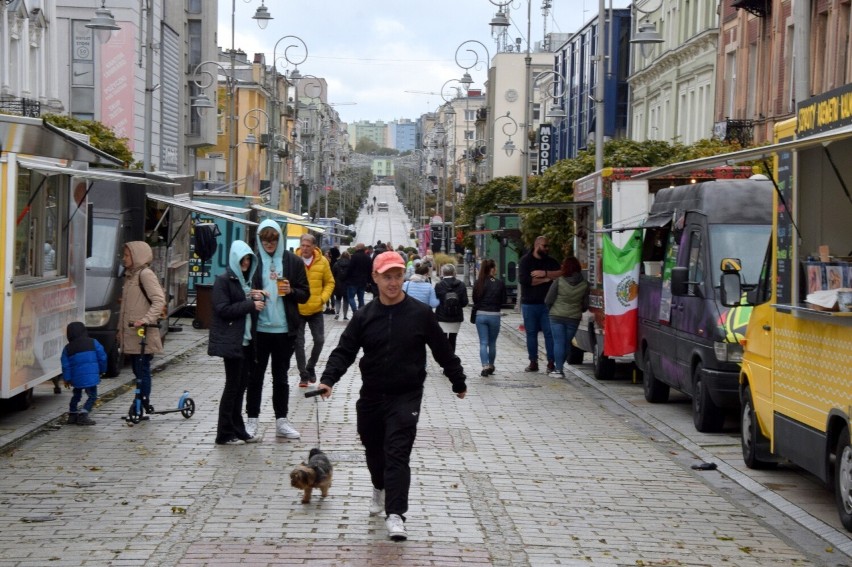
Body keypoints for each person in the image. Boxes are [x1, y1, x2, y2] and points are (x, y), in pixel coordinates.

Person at [315, 251, 467, 542]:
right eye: (387, 276)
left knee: (397, 452)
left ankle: (396, 514)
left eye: (398, 276)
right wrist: (328, 380)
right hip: (371, 396)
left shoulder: (420, 314)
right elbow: (344, 351)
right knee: (375, 451)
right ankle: (379, 487)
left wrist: (457, 380)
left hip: (406, 395)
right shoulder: (364, 316)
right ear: (375, 278)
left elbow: (443, 351)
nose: (393, 282)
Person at [245, 220, 310, 440]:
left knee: (280, 377)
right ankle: (252, 419)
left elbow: (305, 294)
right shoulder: (253, 262)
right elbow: (242, 290)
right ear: (259, 239)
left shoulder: (292, 261)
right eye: (265, 239)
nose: (269, 244)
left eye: (273, 239)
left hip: (284, 330)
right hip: (259, 330)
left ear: (279, 239)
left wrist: (291, 290)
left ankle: (281, 421)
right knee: (255, 377)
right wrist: (253, 295)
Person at [209, 241, 265, 445]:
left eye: (249, 259)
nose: (246, 263)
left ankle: (238, 430)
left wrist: (256, 298)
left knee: (241, 386)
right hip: (232, 342)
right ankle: (224, 433)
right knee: (232, 387)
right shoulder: (224, 281)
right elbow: (223, 309)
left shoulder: (244, 283)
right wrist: (250, 304)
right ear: (235, 259)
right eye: (243, 259)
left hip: (246, 341)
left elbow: (244, 306)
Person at [118, 241, 166, 413]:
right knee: (138, 370)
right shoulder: (131, 276)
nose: (124, 259)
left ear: (137, 256)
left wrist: (146, 319)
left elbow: (159, 300)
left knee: (142, 369)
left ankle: (141, 403)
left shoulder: (145, 274)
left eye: (127, 255)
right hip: (132, 332)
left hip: (142, 332)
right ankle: (140, 403)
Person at [295, 234, 335, 387]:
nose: (305, 248)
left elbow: (330, 282)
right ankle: (303, 375)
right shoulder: (294, 260)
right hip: (298, 308)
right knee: (298, 343)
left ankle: (310, 366)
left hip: (316, 309)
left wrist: (322, 298)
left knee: (319, 340)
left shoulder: (322, 261)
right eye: (303, 245)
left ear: (314, 247)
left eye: (308, 246)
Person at [518, 236, 561, 373]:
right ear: (537, 245)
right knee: (531, 334)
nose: (547, 248)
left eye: (548, 246)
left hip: (547, 304)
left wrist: (545, 274)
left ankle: (551, 362)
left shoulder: (551, 261)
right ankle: (533, 362)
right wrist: (547, 279)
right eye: (545, 246)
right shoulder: (526, 261)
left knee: (550, 334)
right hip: (529, 304)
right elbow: (526, 281)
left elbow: (561, 274)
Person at [544, 257, 590, 378]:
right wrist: (578, 310)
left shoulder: (559, 281)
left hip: (556, 316)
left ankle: (558, 370)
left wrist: (551, 310)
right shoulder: (585, 284)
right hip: (573, 318)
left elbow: (548, 300)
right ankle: (559, 368)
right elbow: (585, 305)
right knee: (566, 343)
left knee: (558, 343)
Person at [61, 321, 107, 426]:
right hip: (91, 377)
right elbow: (102, 357)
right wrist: (102, 370)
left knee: (76, 395)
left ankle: (72, 414)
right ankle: (84, 414)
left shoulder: (67, 348)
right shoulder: (93, 342)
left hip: (76, 378)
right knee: (93, 396)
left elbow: (65, 365)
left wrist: (67, 378)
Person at [472, 259, 507, 377]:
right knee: (492, 343)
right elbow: (504, 300)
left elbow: (475, 299)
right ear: (492, 269)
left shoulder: (478, 282)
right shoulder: (499, 283)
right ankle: (491, 365)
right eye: (495, 267)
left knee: (483, 342)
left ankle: (485, 365)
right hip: (494, 315)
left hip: (481, 315)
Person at [434, 263, 469, 354]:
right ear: (454, 272)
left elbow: (435, 301)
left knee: (443, 340)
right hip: (456, 316)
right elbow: (465, 302)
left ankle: (445, 360)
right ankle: (452, 358)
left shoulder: (439, 285)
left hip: (442, 316)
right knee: (453, 339)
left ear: (443, 273)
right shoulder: (461, 285)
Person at [346, 243, 373, 313]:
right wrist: (369, 281)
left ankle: (355, 311)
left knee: (351, 297)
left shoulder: (354, 256)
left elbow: (350, 268)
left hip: (353, 281)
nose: (355, 248)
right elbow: (370, 270)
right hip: (363, 281)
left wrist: (347, 277)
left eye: (356, 247)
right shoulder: (368, 257)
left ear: (358, 248)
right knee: (361, 298)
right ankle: (361, 313)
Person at [332, 251, 351, 320]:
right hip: (347, 285)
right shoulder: (350, 264)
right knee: (346, 300)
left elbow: (333, 274)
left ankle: (337, 313)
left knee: (338, 299)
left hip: (338, 284)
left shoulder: (336, 264)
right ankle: (345, 315)